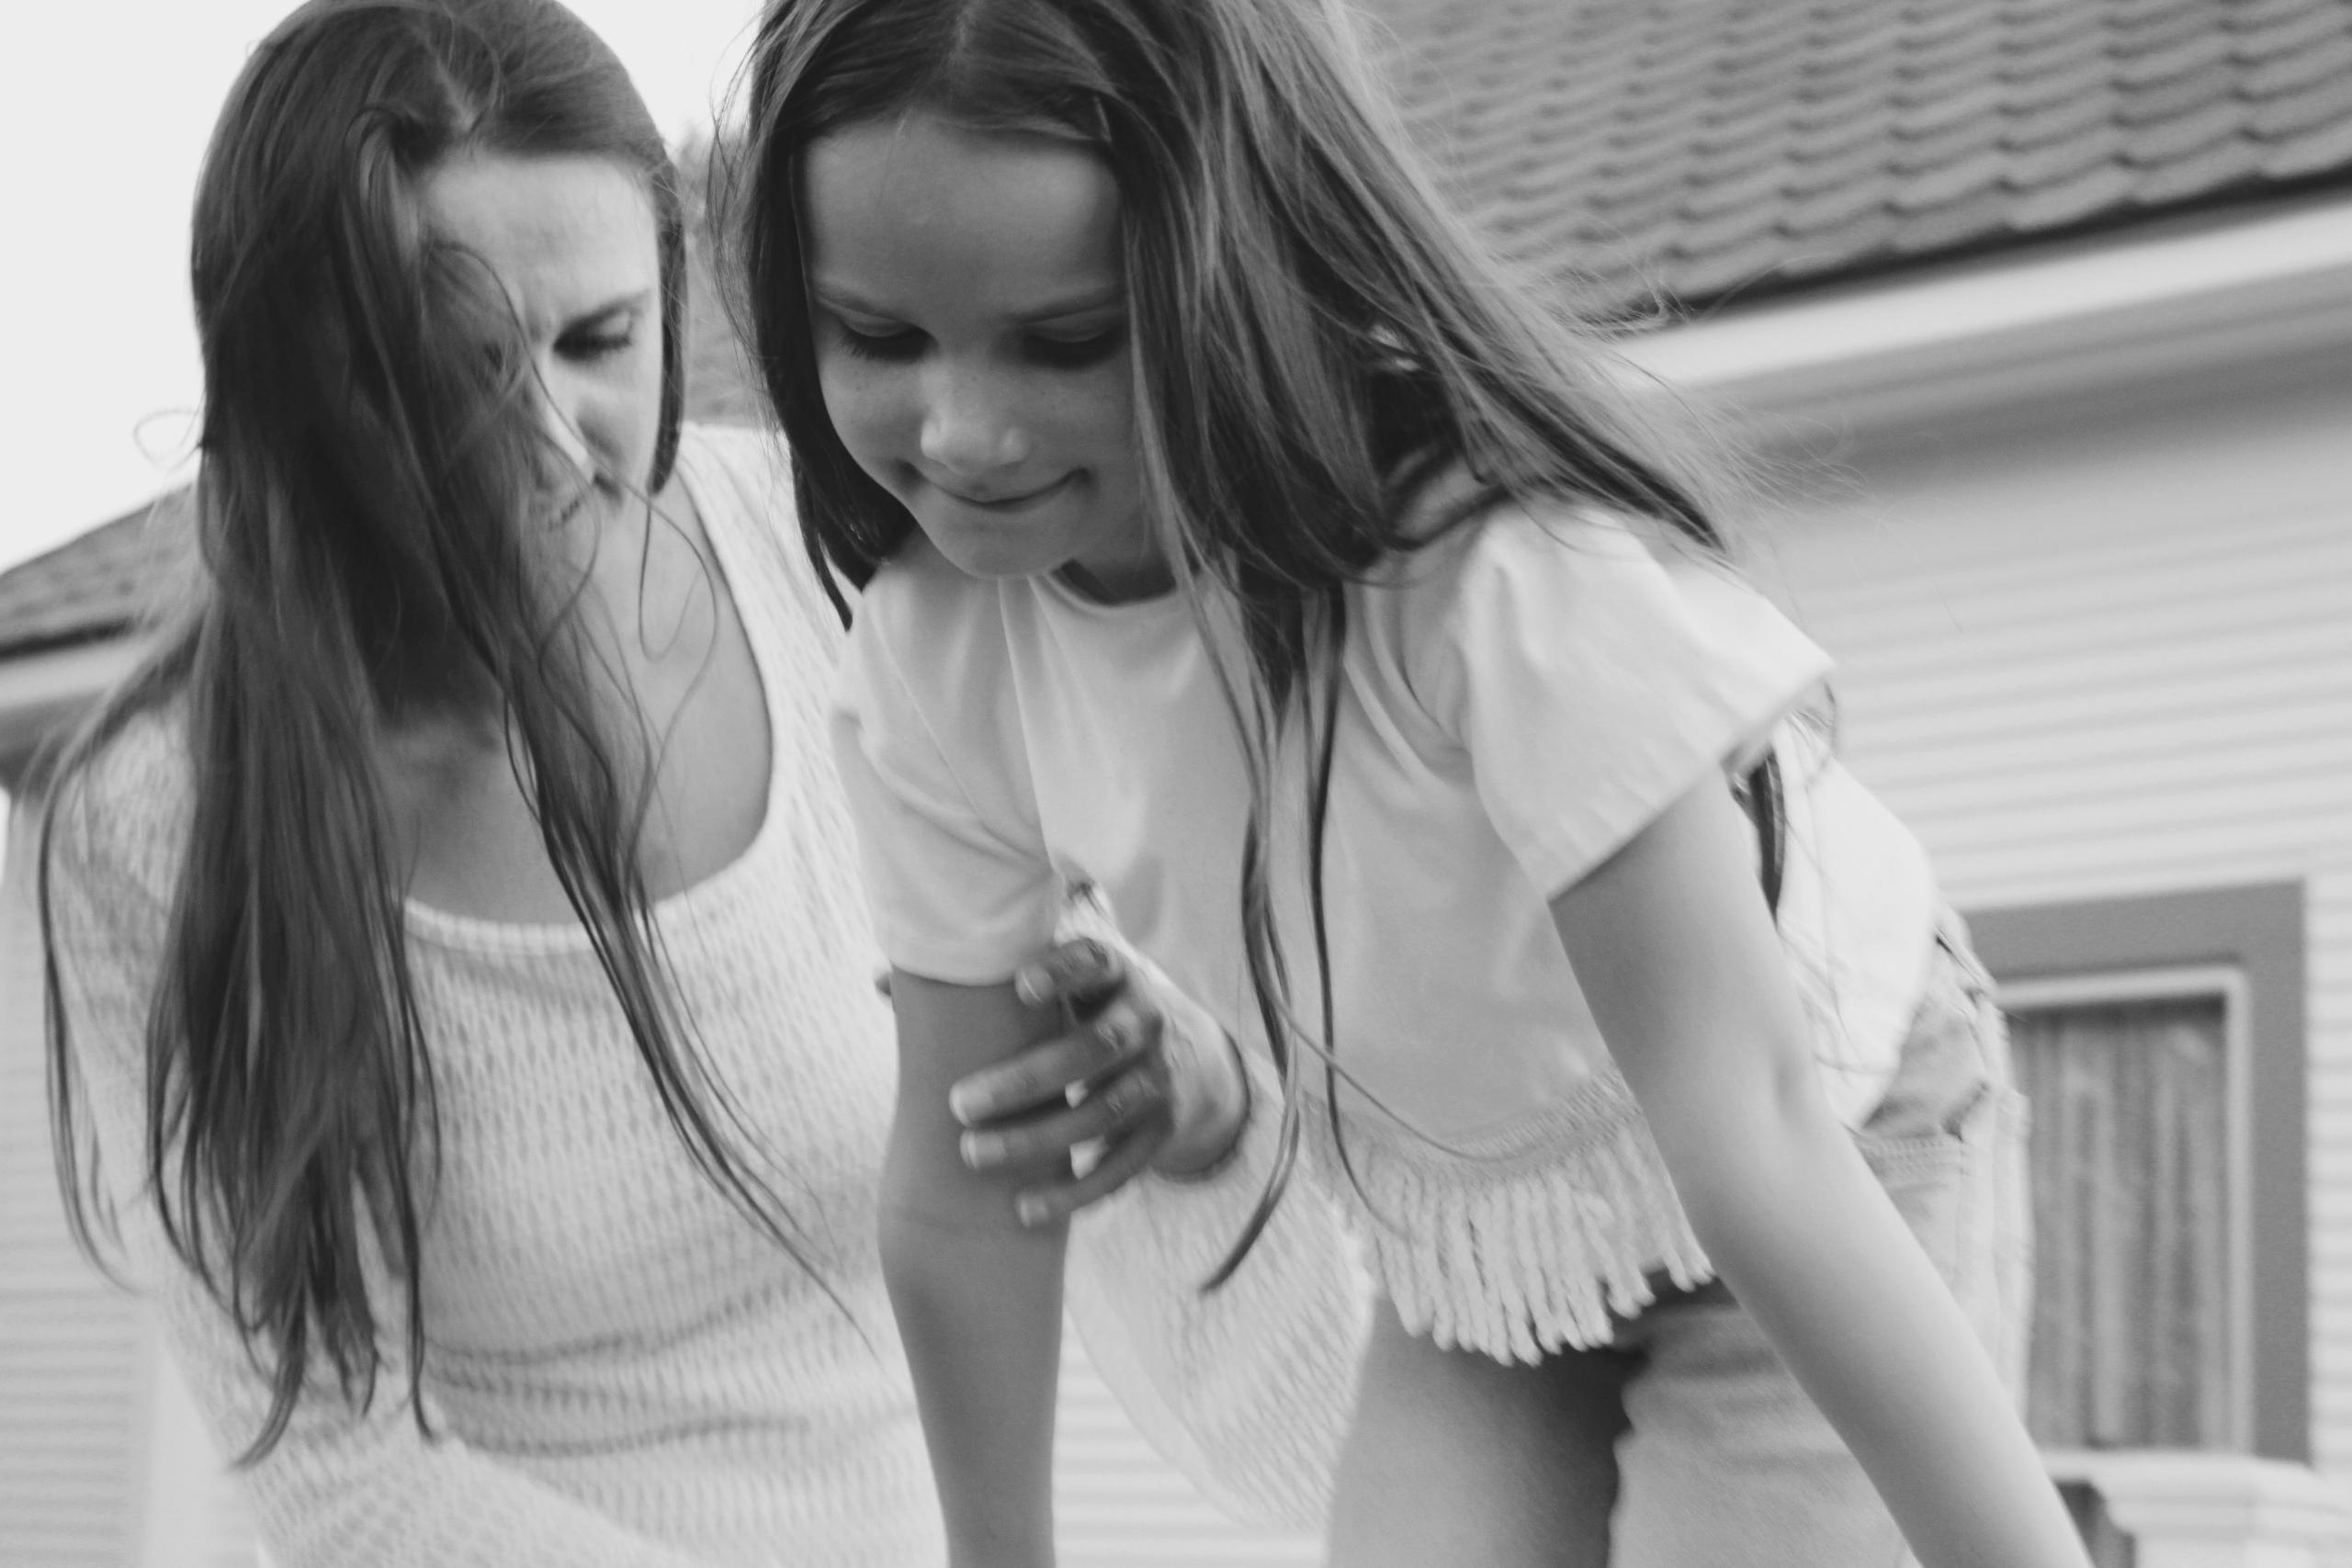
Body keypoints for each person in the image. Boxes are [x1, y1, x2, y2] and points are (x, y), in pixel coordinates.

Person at [733, 0, 2087, 1563]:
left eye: (1066, 341)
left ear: (1239, 269)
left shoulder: (1494, 573)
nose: (963, 431)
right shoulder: (936, 649)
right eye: (880, 337)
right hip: (1490, 1231)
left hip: (1821, 1126)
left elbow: (1758, 1134)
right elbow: (964, 1193)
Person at [37, 2, 1361, 1564]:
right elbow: (343, 1481)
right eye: (449, 371)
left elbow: (1084, 1219)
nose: (543, 440)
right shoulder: (162, 814)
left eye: (598, 340)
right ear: (299, 381)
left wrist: (1205, 1119)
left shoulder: (839, 571)